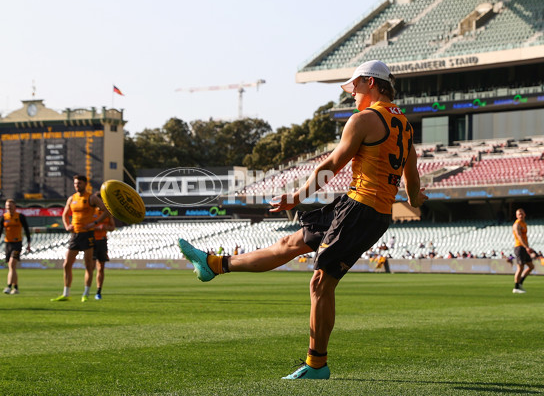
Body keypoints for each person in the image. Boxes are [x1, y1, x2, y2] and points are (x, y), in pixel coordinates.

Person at [178, 60, 427, 380]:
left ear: (370, 83)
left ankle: (316, 364)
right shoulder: (405, 125)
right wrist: (417, 199)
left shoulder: (364, 119)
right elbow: (412, 179)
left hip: (362, 209)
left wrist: (295, 197)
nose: (351, 94)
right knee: (289, 243)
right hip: (359, 206)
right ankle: (214, 264)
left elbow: (333, 163)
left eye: (354, 87)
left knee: (321, 282)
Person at [51, 175, 110, 302]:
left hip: (88, 234)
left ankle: (86, 293)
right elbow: (65, 214)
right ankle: (66, 293)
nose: (77, 185)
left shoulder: (91, 198)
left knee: (89, 265)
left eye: (79, 183)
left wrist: (95, 223)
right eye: (75, 183)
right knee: (66, 264)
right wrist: (67, 225)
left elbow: (106, 211)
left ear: (85, 184)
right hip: (75, 235)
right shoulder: (72, 198)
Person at [0, 199, 31, 294]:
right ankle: (16, 288)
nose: (8, 207)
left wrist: (29, 243)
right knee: (12, 267)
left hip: (17, 243)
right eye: (7, 206)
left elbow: (26, 230)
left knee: (11, 264)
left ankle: (9, 287)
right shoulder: (3, 217)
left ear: (14, 206)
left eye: (10, 206)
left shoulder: (20, 216)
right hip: (8, 244)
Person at [92, 192, 115, 300]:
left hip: (102, 241)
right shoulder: (91, 211)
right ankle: (86, 290)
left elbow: (112, 227)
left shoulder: (107, 212)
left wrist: (105, 226)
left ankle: (98, 291)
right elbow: (85, 226)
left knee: (100, 267)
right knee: (90, 267)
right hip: (91, 241)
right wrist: (96, 228)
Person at [512, 208, 535, 294]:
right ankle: (516, 287)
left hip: (524, 247)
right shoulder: (517, 224)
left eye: (522, 213)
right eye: (519, 214)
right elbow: (519, 237)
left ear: (524, 214)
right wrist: (526, 247)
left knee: (531, 266)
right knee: (520, 267)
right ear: (516, 216)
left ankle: (520, 282)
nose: (520, 215)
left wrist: (527, 247)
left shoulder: (523, 223)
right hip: (519, 247)